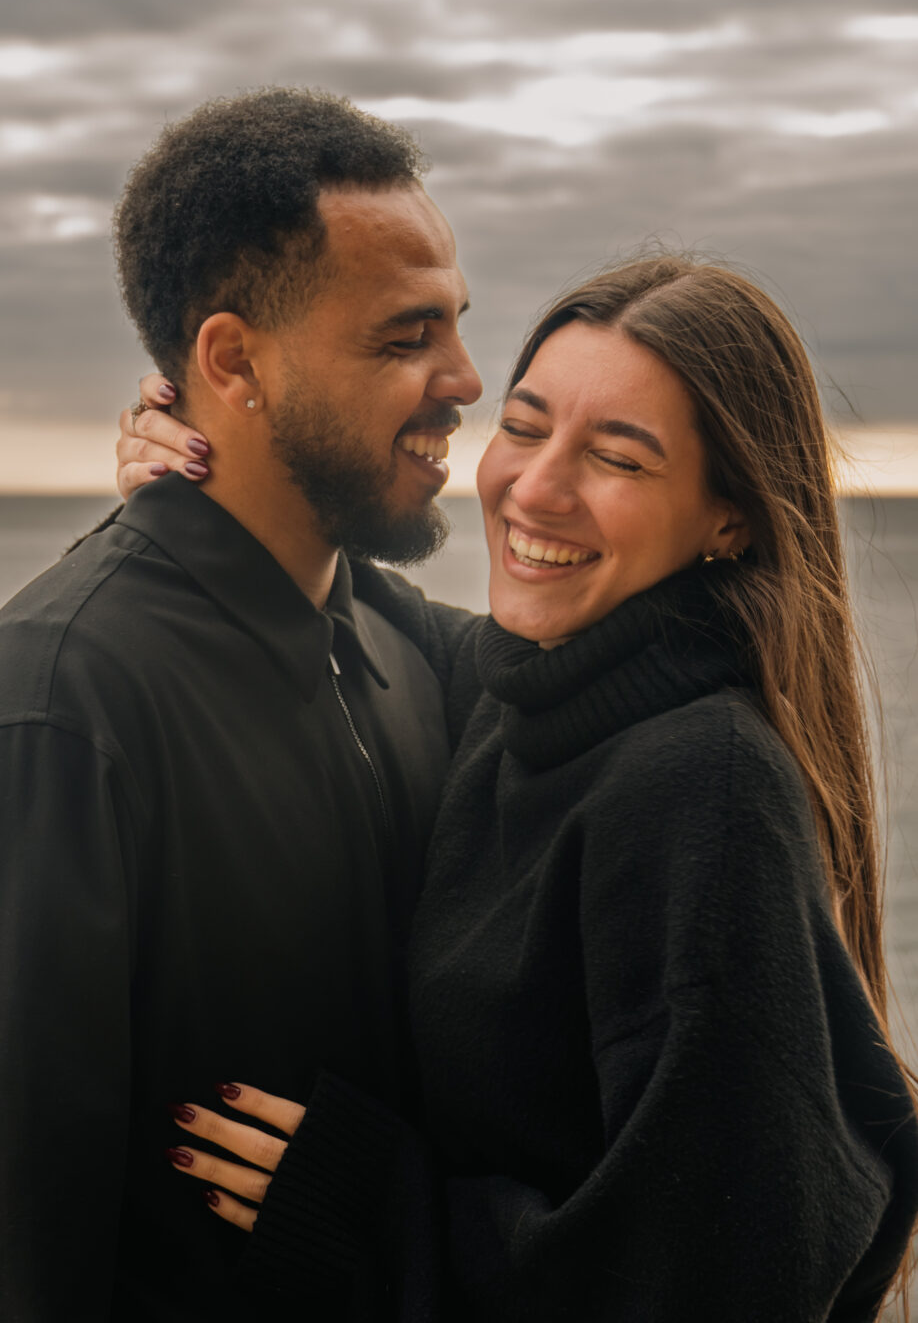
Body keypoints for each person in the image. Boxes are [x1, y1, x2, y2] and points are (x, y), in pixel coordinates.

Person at [120, 257, 918, 1320]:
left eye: (618, 459)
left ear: (729, 520)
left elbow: (729, 1271)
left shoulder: (700, 784)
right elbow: (367, 607)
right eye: (527, 426)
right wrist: (220, 483)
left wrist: (373, 1216)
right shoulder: (529, 696)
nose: (535, 489)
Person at [0, 87, 482, 1321]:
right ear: (231, 361)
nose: (466, 380)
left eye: (456, 329)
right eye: (404, 337)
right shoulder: (61, 701)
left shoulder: (399, 648)